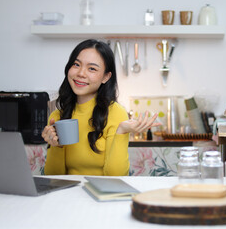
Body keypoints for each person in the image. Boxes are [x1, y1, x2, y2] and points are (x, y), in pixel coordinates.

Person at [42, 39, 160, 176]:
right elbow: (53, 177)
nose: (81, 73)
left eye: (92, 68)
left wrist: (121, 132)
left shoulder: (115, 113)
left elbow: (116, 177)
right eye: (76, 64)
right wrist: (56, 146)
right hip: (69, 193)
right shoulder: (57, 116)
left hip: (102, 194)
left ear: (106, 77)